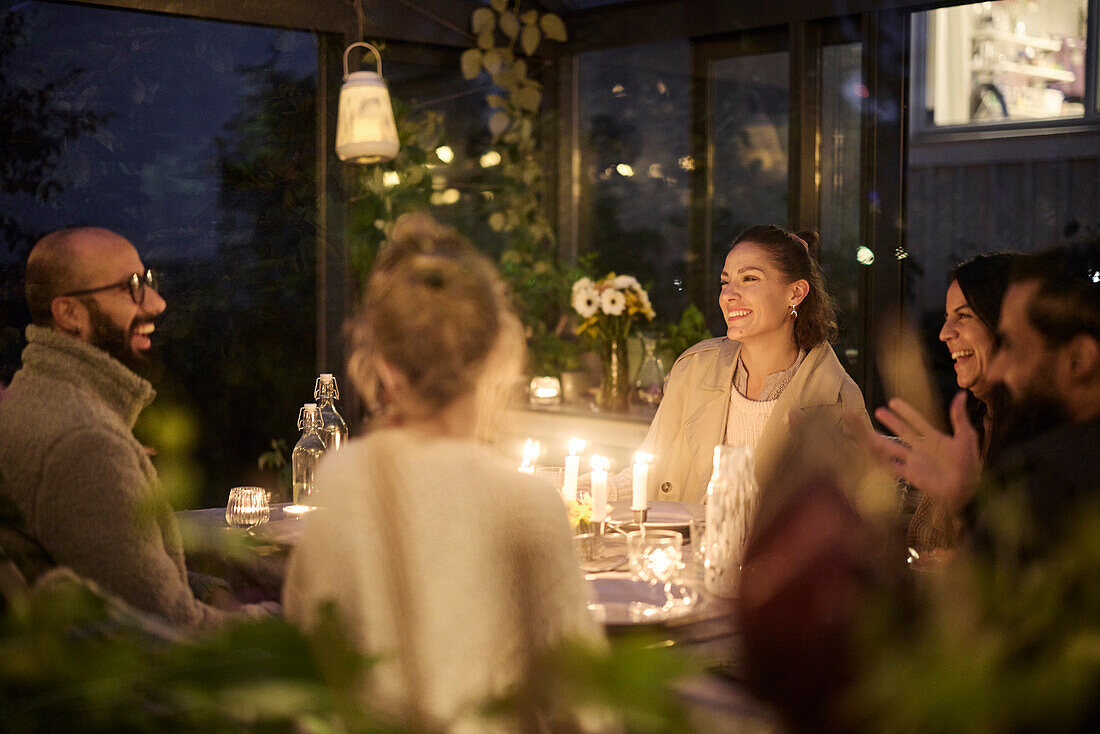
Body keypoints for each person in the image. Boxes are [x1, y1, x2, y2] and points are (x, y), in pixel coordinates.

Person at [283, 214, 601, 732]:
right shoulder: (526, 500)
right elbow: (587, 705)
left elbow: (310, 655)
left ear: (383, 363)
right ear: (498, 350)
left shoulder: (342, 478)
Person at [0, 226, 243, 628]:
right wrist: (288, 625)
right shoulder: (83, 442)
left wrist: (209, 588)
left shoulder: (43, 397)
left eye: (147, 281)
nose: (157, 302)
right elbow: (164, 624)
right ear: (69, 314)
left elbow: (111, 572)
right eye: (131, 287)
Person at [858, 240, 1100, 561]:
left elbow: (1008, 586)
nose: (944, 333)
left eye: (1011, 344)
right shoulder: (976, 428)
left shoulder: (1053, 469)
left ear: (1079, 359)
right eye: (947, 316)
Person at [612, 224, 870, 504]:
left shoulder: (836, 397)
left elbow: (852, 519)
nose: (728, 294)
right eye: (725, 282)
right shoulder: (694, 369)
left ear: (795, 293)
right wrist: (589, 489)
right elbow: (645, 474)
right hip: (686, 544)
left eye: (749, 279)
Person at [906, 252, 1018, 555]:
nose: (945, 334)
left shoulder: (1041, 443)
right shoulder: (975, 422)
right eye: (946, 318)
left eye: (964, 316)